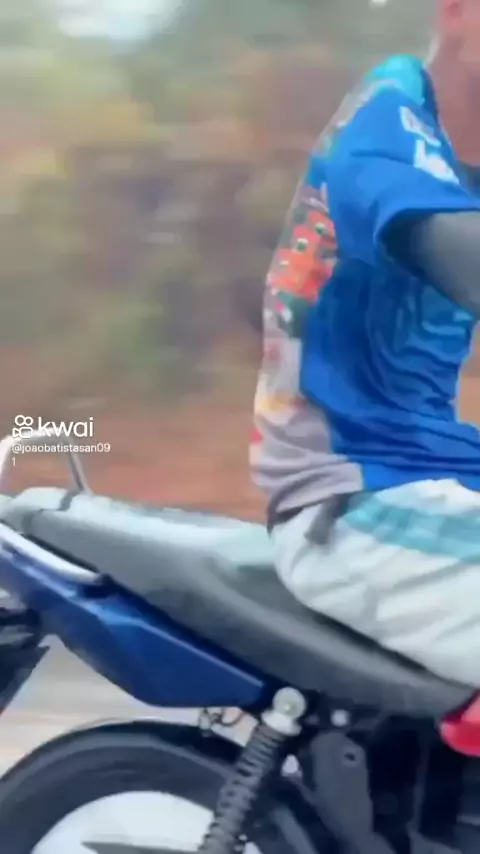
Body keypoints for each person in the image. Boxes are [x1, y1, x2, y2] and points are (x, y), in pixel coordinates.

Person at [250, 0, 480, 687]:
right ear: (456, 10)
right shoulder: (389, 116)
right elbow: (458, 253)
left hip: (441, 472)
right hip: (353, 496)